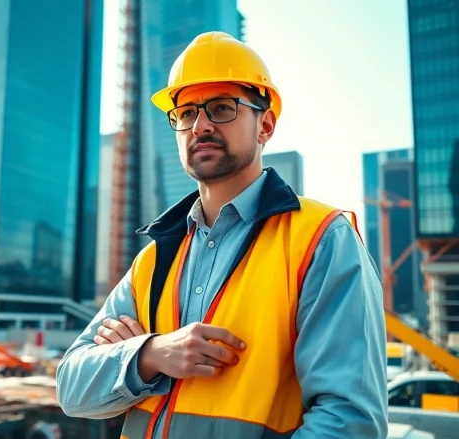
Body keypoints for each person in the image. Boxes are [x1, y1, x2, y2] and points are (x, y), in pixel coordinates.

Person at [56, 31, 388, 439]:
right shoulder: (156, 259)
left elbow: (350, 422)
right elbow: (71, 389)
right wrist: (150, 354)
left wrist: (118, 360)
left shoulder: (320, 240)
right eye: (187, 113)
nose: (201, 125)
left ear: (264, 125)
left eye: (221, 108)